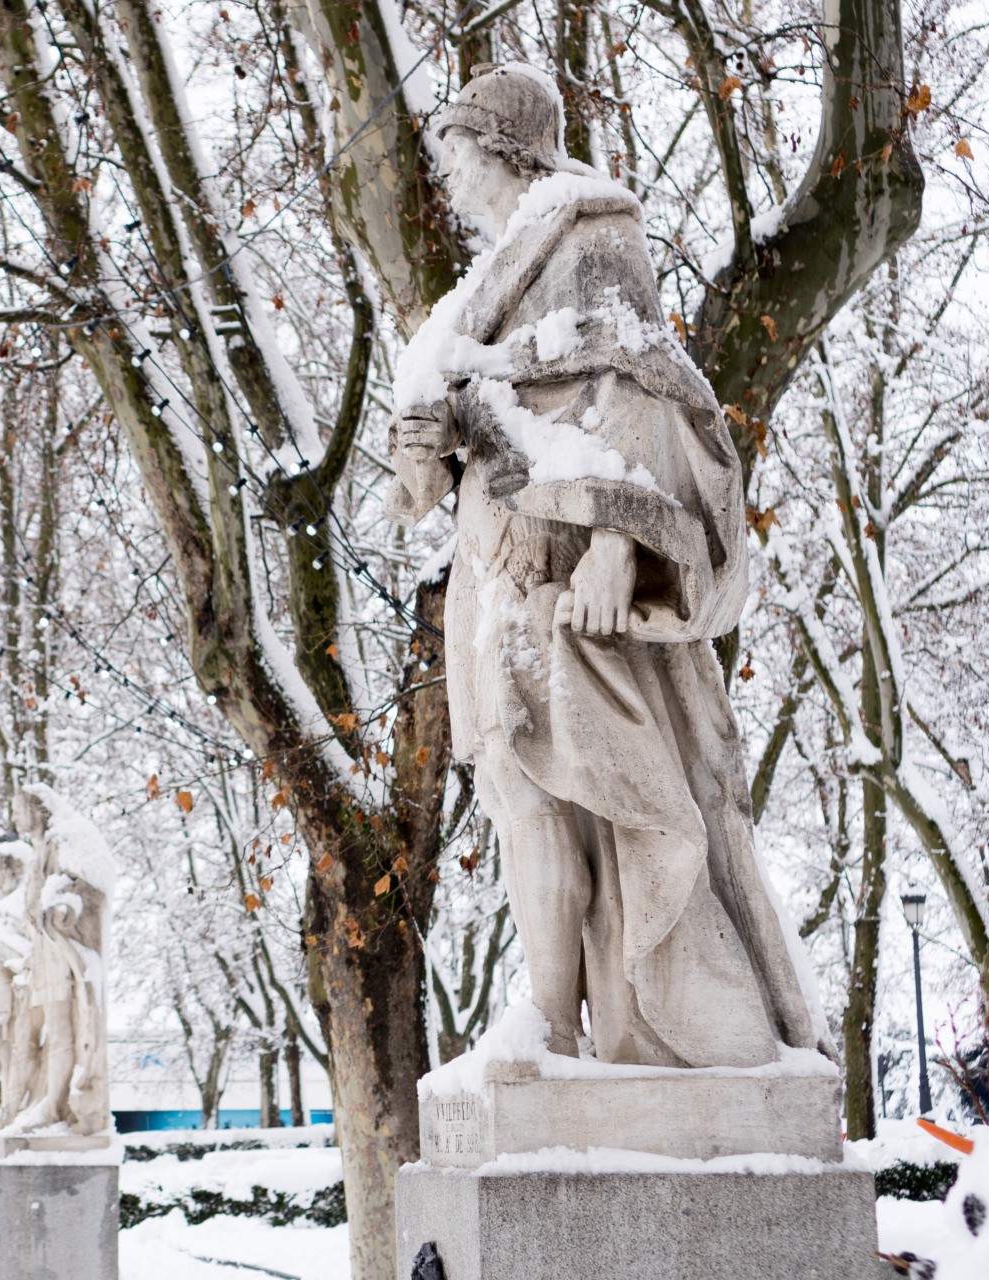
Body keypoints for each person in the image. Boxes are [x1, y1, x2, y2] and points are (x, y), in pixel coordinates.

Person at [385, 63, 829, 1068]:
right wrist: (432, 433)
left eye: (457, 154)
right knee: (517, 786)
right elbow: (455, 437)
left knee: (573, 782)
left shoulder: (592, 230)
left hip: (564, 554)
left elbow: (641, 387)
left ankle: (561, 1023)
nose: (448, 180)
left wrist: (621, 543)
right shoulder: (484, 285)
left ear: (502, 145)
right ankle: (553, 1018)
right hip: (492, 555)